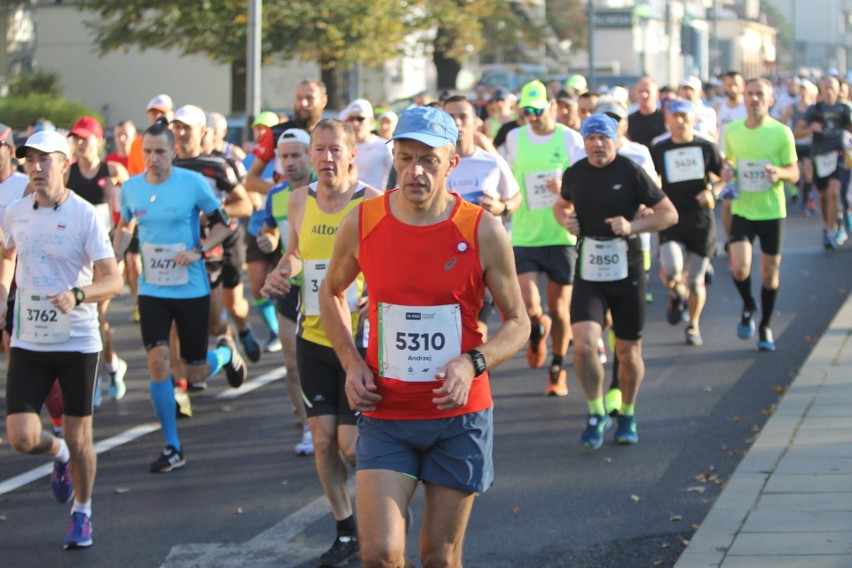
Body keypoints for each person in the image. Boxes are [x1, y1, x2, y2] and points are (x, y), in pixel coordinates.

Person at [318, 104, 529, 568]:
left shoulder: (482, 229)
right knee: (378, 554)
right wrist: (352, 363)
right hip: (386, 410)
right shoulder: (363, 220)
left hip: (458, 415)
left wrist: (471, 362)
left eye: (428, 160)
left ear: (451, 164)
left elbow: (519, 322)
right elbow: (330, 292)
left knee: (438, 556)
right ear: (393, 154)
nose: (415, 171)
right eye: (406, 157)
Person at [261, 119, 382, 567]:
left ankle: (383, 508)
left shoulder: (371, 202)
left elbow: (391, 258)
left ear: (352, 154)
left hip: (360, 341)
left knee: (352, 445)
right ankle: (346, 530)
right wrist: (281, 271)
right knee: (324, 441)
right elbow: (295, 251)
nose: (326, 158)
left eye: (335, 149)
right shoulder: (297, 201)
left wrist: (378, 294)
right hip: (313, 334)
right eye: (319, 149)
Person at [0, 130, 123, 548]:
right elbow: (6, 254)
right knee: (21, 435)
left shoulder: (87, 215)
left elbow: (114, 280)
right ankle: (58, 457)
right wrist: (2, 296)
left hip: (77, 342)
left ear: (64, 165)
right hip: (29, 339)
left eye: (44, 160)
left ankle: (83, 512)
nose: (34, 168)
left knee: (80, 436)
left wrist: (78, 294)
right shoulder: (16, 212)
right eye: (28, 160)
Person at [113, 119, 249, 472]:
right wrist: (112, 259)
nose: (153, 159)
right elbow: (125, 226)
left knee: (196, 371)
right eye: (147, 152)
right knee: (158, 361)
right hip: (153, 290)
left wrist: (200, 251)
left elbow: (223, 223)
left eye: (160, 151)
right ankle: (173, 446)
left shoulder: (193, 184)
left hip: (190, 288)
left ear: (173, 151)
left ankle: (225, 354)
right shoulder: (131, 189)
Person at [553, 113, 677, 449]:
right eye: (590, 138)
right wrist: (567, 221)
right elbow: (560, 205)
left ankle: (627, 411)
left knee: (627, 351)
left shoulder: (631, 171)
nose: (596, 144)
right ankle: (596, 412)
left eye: (602, 138)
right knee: (582, 345)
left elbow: (669, 213)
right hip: (590, 270)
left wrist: (633, 226)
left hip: (628, 270)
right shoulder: (575, 174)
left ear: (614, 139)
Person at [505, 80, 583, 397]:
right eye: (527, 111)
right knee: (529, 304)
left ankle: (558, 366)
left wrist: (565, 188)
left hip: (560, 234)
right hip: (524, 233)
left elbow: (583, 183)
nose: (533, 116)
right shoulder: (514, 137)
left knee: (560, 309)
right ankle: (538, 328)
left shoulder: (569, 139)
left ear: (552, 107)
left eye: (537, 110)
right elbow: (507, 178)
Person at [170, 105, 258, 365]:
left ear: (203, 131)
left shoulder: (219, 165)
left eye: (187, 128)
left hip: (222, 243)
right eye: (177, 127)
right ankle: (184, 378)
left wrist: (213, 213)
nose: (181, 133)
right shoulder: (168, 166)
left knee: (234, 306)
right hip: (183, 250)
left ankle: (241, 330)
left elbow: (245, 205)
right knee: (186, 319)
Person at [724, 78, 799, 351]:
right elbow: (729, 161)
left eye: (760, 95)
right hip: (743, 208)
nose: (754, 99)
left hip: (771, 210)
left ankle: (765, 325)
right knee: (741, 267)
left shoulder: (781, 133)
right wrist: (726, 172)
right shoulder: (732, 131)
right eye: (750, 94)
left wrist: (780, 173)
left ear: (770, 100)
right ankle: (748, 304)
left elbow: (795, 173)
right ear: (744, 98)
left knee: (769, 275)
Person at [256, 128, 316, 456]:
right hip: (291, 286)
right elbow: (271, 229)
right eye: (284, 156)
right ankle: (309, 426)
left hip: (327, 287)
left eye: (296, 155)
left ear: (311, 155)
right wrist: (268, 239)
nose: (290, 162)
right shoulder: (276, 195)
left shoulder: (328, 192)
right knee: (292, 364)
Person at [444, 95, 522, 338]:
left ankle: (476, 373)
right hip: (445, 257)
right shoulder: (436, 164)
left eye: (463, 117)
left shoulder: (491, 162)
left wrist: (502, 208)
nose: (457, 123)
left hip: (484, 254)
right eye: (450, 117)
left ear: (475, 122)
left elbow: (516, 195)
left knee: (478, 331)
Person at [66, 116, 130, 402]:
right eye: (76, 139)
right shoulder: (68, 174)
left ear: (99, 140)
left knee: (96, 314)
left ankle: (95, 376)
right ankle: (111, 364)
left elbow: (129, 213)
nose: (80, 144)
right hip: (78, 255)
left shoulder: (113, 170)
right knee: (88, 316)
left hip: (105, 253)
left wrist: (119, 251)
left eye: (85, 138)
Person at [650, 100, 723, 345]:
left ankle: (693, 325)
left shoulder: (706, 147)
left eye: (684, 116)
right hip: (672, 218)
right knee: (671, 269)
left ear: (693, 119)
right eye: (675, 117)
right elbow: (652, 181)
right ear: (667, 120)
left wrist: (713, 192)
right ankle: (674, 293)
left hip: (701, 220)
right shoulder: (659, 149)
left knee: (694, 280)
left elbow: (725, 177)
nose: (680, 121)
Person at [795, 75, 852, 248]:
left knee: (834, 192)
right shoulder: (815, 109)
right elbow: (797, 132)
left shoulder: (844, 109)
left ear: (838, 90)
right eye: (825, 88)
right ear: (821, 90)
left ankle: (834, 228)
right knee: (823, 196)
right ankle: (828, 228)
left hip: (839, 155)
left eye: (832, 88)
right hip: (820, 156)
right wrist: (810, 129)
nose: (828, 91)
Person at [245, 80, 328, 195]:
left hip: (323, 205)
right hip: (286, 208)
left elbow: (349, 173)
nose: (302, 103)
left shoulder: (331, 133)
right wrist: (284, 192)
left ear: (323, 100)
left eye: (309, 98)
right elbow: (250, 181)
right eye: (299, 98)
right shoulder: (276, 132)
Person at [344, 99, 394, 189]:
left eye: (360, 119)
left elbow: (397, 178)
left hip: (377, 201)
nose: (355, 123)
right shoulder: (342, 147)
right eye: (351, 119)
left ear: (371, 121)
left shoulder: (385, 146)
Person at [127, 94, 174, 176]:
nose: (158, 117)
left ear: (173, 113)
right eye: (154, 113)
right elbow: (133, 174)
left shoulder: (178, 140)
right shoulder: (138, 143)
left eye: (162, 113)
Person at [628, 76, 667, 148]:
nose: (644, 95)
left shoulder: (666, 118)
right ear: (635, 93)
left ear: (657, 94)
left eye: (647, 91)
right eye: (640, 91)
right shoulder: (629, 120)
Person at [679, 77, 717, 141]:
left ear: (700, 93)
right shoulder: (675, 113)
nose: (688, 92)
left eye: (692, 89)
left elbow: (712, 135)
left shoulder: (708, 112)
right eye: (685, 89)